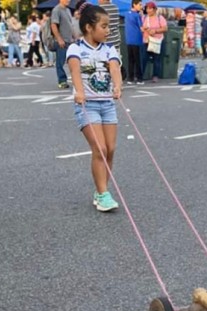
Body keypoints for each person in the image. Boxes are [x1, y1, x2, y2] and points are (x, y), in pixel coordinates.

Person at [67, 2, 122, 212]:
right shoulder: (76, 48)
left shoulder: (109, 49)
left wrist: (117, 86)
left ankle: (102, 190)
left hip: (107, 104)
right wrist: (79, 92)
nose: (108, 31)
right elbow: (74, 72)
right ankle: (103, 194)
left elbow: (115, 69)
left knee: (111, 150)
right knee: (100, 149)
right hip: (87, 105)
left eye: (108, 26)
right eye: (104, 26)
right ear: (89, 27)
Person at [141, 1, 166, 83]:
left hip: (157, 41)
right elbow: (140, 27)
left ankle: (155, 75)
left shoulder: (160, 18)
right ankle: (141, 75)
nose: (148, 10)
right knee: (144, 58)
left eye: (150, 8)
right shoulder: (144, 18)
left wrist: (155, 31)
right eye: (147, 8)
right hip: (146, 41)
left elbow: (165, 28)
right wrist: (143, 29)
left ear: (155, 9)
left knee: (157, 59)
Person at [51, 0, 74, 88]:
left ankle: (75, 79)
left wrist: (75, 37)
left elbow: (70, 25)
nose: (68, 0)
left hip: (69, 40)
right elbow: (54, 25)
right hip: (62, 40)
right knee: (60, 62)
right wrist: (59, 38)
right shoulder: (57, 10)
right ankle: (62, 81)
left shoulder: (68, 10)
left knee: (72, 60)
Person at [125, 0, 144, 84]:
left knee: (130, 60)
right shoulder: (137, 15)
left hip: (129, 39)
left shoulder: (127, 14)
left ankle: (130, 78)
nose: (141, 6)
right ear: (134, 5)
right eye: (139, 4)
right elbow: (141, 28)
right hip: (137, 39)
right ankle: (139, 78)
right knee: (138, 60)